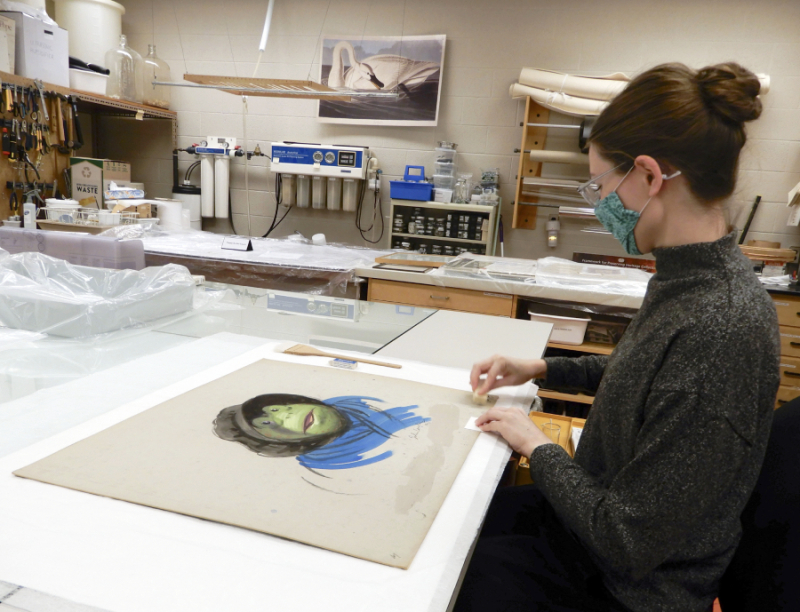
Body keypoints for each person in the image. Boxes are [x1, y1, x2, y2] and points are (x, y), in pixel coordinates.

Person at [455, 62, 780, 612]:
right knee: (462, 517)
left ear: (651, 176)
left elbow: (628, 540)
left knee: (453, 575)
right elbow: (644, 376)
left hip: (629, 586)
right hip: (595, 534)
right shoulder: (689, 276)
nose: (598, 202)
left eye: (601, 185)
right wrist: (540, 368)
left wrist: (535, 443)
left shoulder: (721, 324)